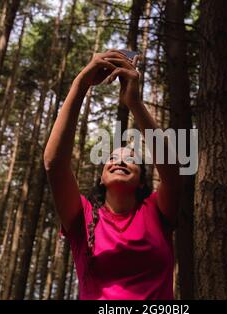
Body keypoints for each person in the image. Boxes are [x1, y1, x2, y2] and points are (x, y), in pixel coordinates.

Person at [43, 49, 181, 299]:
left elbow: (173, 173)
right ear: (101, 177)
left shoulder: (156, 211)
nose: (120, 161)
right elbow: (54, 163)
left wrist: (135, 103)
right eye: (112, 158)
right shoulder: (81, 218)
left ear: (142, 180)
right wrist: (81, 83)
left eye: (131, 159)